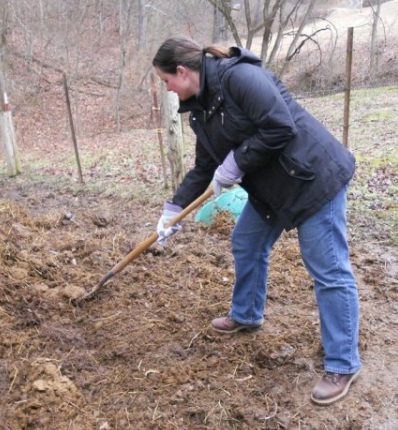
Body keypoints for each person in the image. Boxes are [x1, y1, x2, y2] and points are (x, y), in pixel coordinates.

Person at [152, 36, 361, 406]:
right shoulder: (200, 110)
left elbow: (281, 126)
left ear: (182, 72)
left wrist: (235, 162)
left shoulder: (240, 78)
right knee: (247, 241)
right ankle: (247, 315)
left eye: (165, 80)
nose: (166, 87)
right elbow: (204, 166)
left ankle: (343, 362)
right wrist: (173, 209)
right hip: (273, 189)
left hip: (313, 177)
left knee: (328, 270)